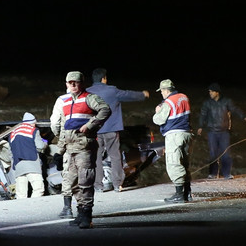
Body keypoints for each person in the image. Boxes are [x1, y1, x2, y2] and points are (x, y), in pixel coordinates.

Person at [50, 71, 111, 229]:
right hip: (70, 149)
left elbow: (105, 110)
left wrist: (89, 125)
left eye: (76, 82)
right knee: (73, 183)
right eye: (70, 82)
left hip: (84, 147)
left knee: (85, 182)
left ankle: (86, 215)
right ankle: (80, 213)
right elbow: (64, 130)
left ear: (82, 83)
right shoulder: (66, 103)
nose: (73, 85)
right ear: (66, 84)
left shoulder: (90, 98)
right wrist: (59, 151)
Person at [87, 68, 149, 192]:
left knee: (96, 158)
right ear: (104, 78)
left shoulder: (87, 92)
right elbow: (128, 95)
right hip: (111, 130)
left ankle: (98, 186)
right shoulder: (112, 91)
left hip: (94, 131)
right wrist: (142, 94)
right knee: (115, 156)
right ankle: (117, 184)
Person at [198, 82, 246, 180]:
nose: (210, 93)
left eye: (211, 92)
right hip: (212, 132)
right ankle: (212, 174)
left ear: (217, 92)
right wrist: (200, 126)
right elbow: (203, 115)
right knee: (213, 154)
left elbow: (235, 110)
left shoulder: (226, 102)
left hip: (224, 132)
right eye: (209, 92)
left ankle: (226, 173)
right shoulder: (207, 103)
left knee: (226, 154)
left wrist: (243, 117)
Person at [152, 79, 193, 203]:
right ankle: (187, 193)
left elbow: (158, 120)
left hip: (174, 135)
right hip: (187, 134)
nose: (162, 94)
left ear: (165, 90)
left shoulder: (168, 102)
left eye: (162, 91)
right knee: (184, 164)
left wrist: (157, 111)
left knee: (174, 163)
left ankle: (179, 195)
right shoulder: (184, 97)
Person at [9, 112, 47, 199]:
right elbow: (40, 146)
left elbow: (10, 153)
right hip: (32, 164)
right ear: (33, 122)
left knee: (21, 194)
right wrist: (45, 144)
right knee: (38, 189)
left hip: (18, 166)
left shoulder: (13, 133)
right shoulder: (33, 130)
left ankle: (23, 211)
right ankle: (33, 208)